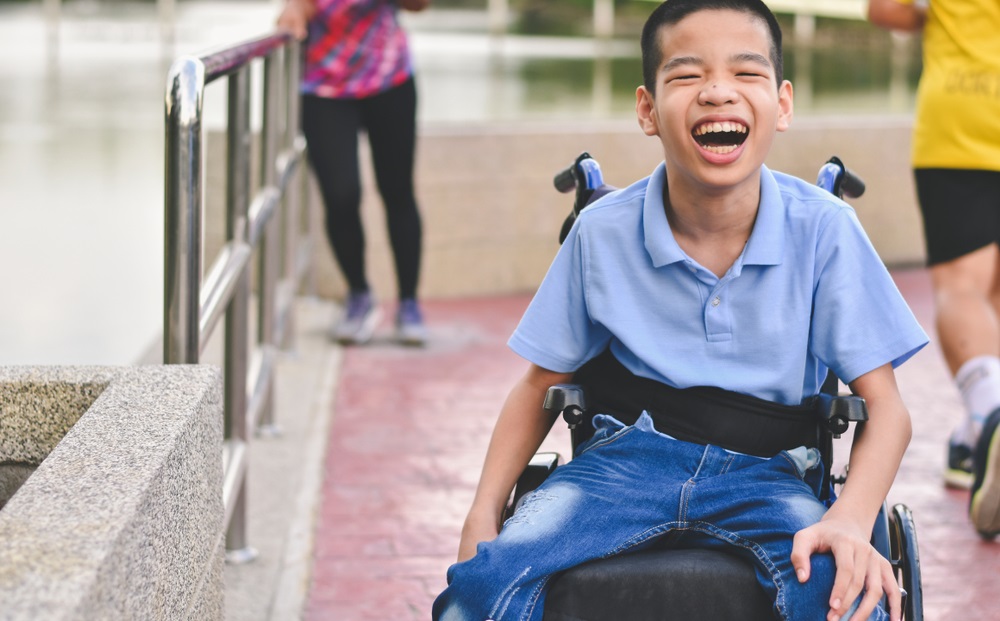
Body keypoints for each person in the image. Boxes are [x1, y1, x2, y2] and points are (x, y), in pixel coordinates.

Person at [433, 1, 929, 620]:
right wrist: (484, 510)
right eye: (688, 75)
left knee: (847, 591)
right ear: (647, 109)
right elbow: (540, 383)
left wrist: (853, 517)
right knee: (479, 589)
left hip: (769, 473)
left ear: (782, 104)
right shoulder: (601, 233)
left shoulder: (825, 231)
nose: (718, 92)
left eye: (746, 74)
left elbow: (886, 406)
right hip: (620, 463)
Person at [867, 0, 1000, 537]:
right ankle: (972, 437)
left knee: (963, 287)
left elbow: (887, 9)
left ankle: (989, 412)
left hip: (963, 119)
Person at [277, 0, 429, 346]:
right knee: (340, 195)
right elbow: (293, 12)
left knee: (398, 192)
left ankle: (408, 303)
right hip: (323, 85)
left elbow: (420, 4)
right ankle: (358, 295)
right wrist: (295, 11)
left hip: (389, 78)